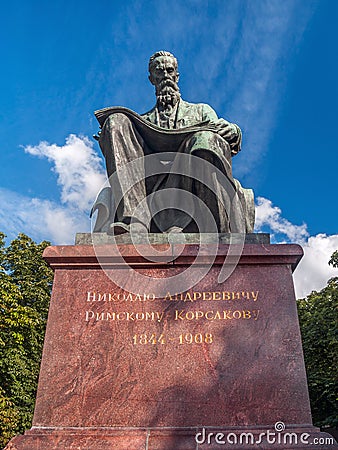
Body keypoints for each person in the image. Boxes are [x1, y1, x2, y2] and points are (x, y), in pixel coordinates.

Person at [94, 51, 254, 234]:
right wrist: (109, 137)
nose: (165, 76)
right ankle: (134, 222)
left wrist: (234, 131)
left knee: (206, 139)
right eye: (159, 72)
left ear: (177, 76)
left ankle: (213, 225)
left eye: (169, 71)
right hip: (149, 184)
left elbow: (217, 135)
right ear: (151, 79)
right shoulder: (141, 122)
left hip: (189, 177)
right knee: (116, 121)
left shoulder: (200, 110)